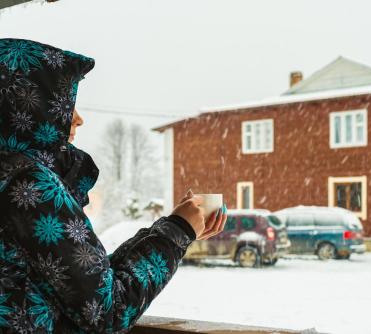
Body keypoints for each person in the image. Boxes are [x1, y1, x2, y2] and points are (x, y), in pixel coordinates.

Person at [0, 38, 227, 333]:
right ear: (28, 104)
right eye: (65, 102)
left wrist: (170, 229)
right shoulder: (28, 186)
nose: (78, 119)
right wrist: (178, 231)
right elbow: (107, 311)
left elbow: (87, 283)